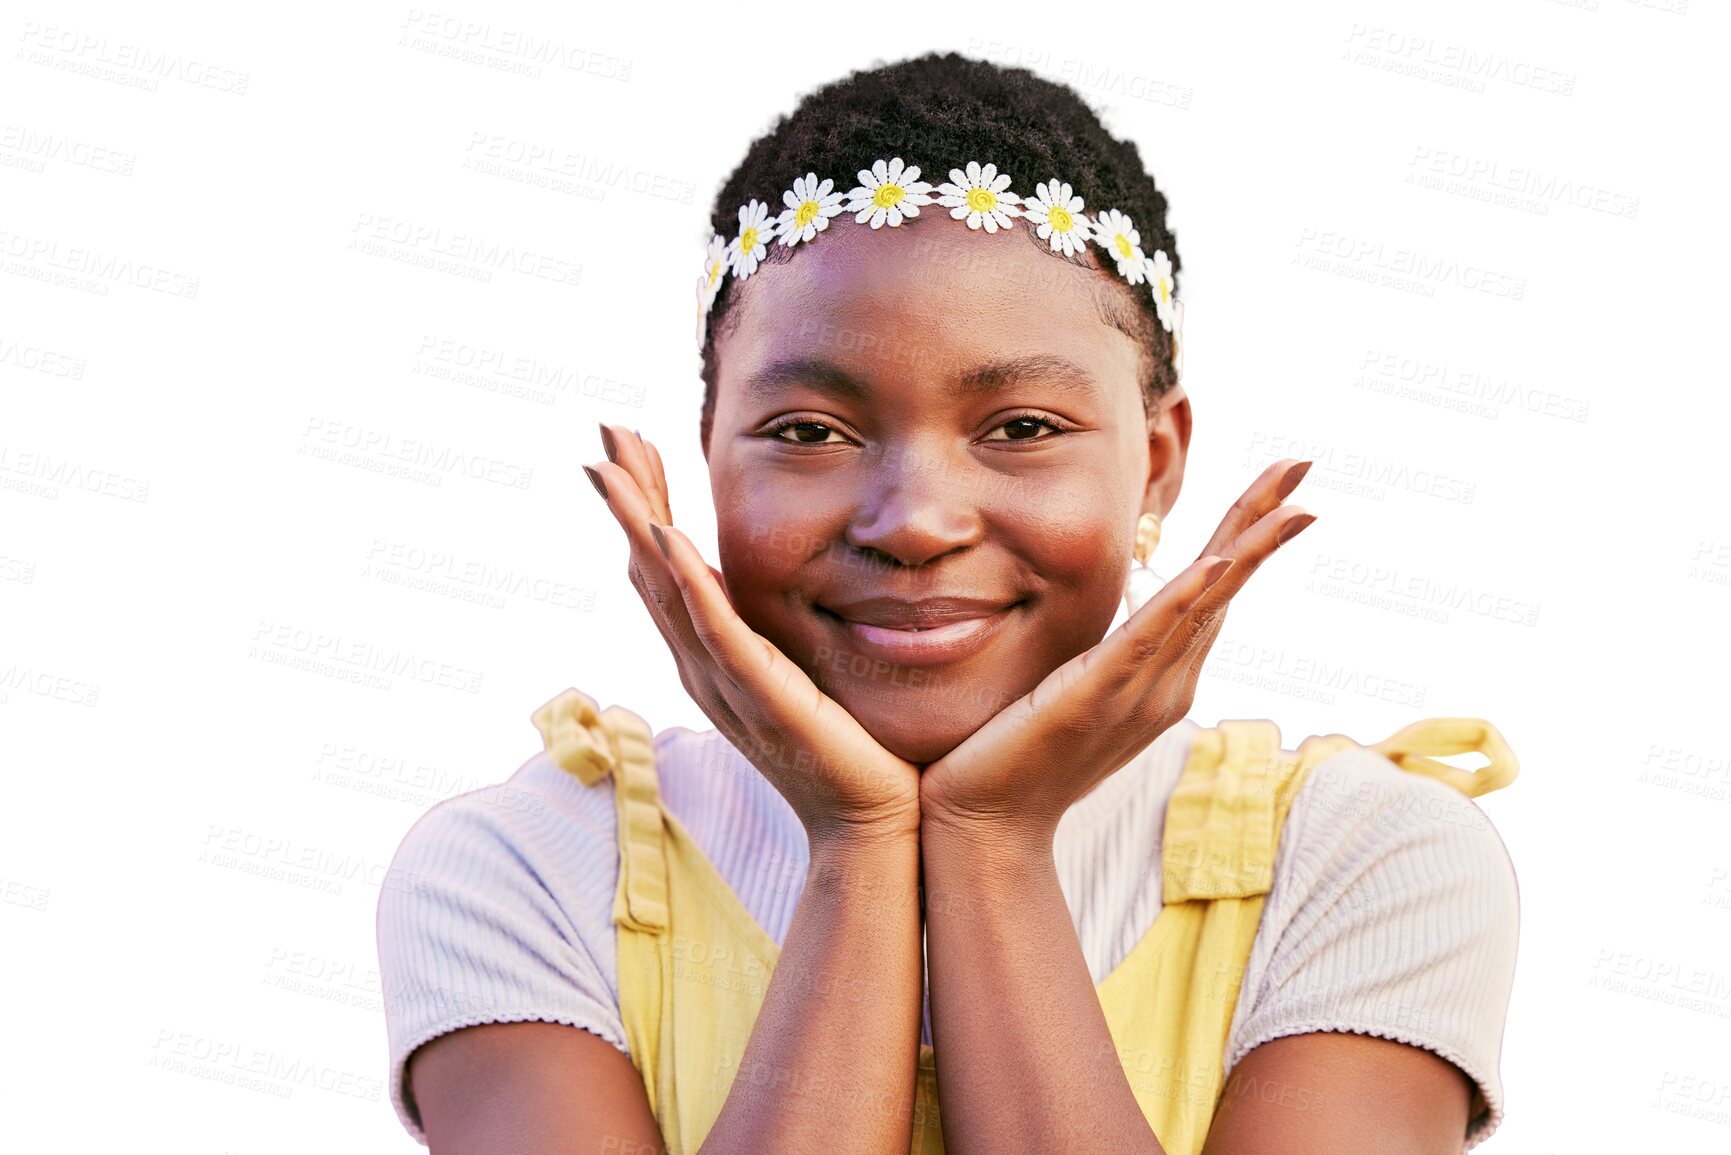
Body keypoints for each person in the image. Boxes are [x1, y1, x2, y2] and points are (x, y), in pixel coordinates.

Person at [376, 51, 1520, 1154]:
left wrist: (992, 845)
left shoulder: (1362, 861)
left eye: (1022, 429)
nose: (915, 522)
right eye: (809, 433)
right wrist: (858, 843)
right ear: (707, 464)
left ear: (1159, 463)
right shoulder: (533, 868)